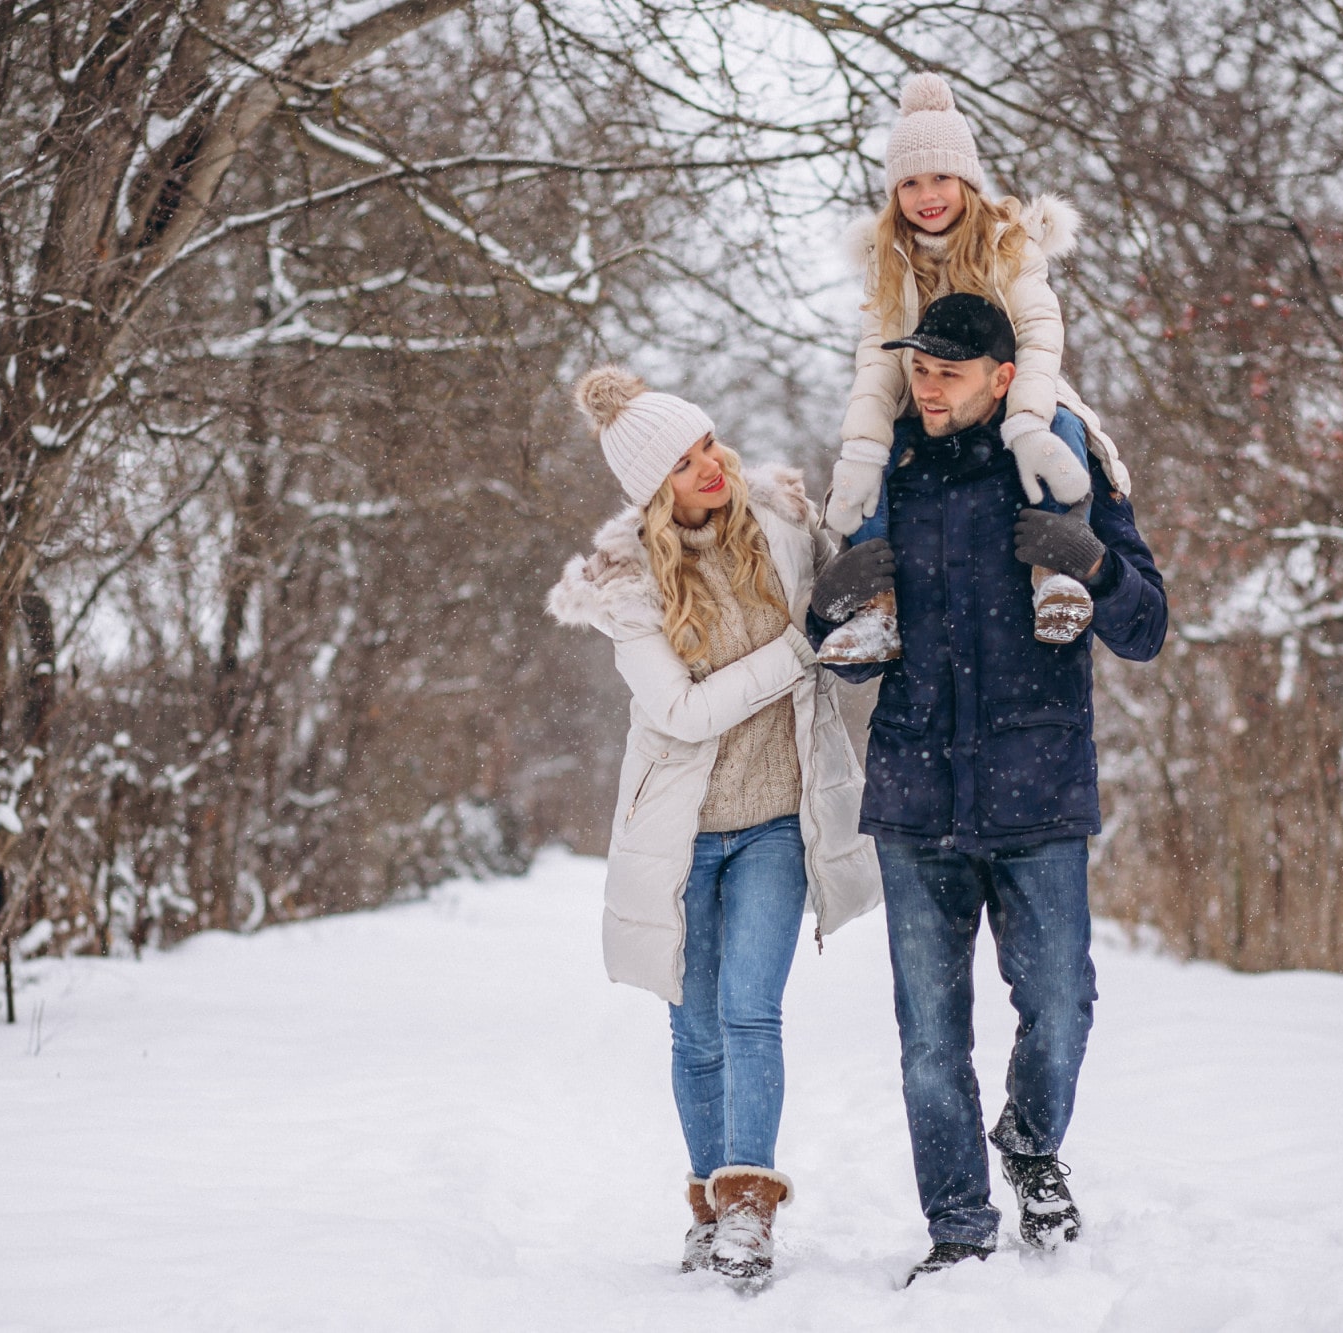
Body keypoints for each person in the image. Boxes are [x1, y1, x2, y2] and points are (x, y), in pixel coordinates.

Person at [806, 294, 1168, 1283]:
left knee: (1060, 1002)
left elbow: (1145, 627)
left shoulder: (1058, 467)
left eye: (948, 370)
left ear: (1001, 377)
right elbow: (839, 654)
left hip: (1036, 789)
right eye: (917, 368)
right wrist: (829, 604)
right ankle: (958, 1224)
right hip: (915, 796)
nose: (925, 386)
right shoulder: (892, 474)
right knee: (929, 1037)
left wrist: (1090, 563)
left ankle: (1030, 1140)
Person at [547, 367, 882, 1287]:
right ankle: (705, 1202)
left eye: (706, 444)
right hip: (682, 833)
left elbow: (849, 587)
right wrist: (795, 648)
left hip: (776, 820)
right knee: (693, 1030)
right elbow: (685, 715)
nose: (708, 465)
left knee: (749, 1008)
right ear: (652, 491)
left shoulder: (779, 525)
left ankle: (747, 1210)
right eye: (683, 461)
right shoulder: (626, 588)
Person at [818, 72, 1136, 661]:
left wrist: (1026, 423)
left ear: (967, 179)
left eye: (941, 176)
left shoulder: (1007, 244)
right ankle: (876, 611)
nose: (926, 193)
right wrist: (862, 448)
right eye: (909, 182)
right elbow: (878, 359)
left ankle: (1056, 577)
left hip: (1018, 391)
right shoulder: (887, 259)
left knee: (1060, 430)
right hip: (926, 403)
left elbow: (1040, 336)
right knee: (872, 466)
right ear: (894, 194)